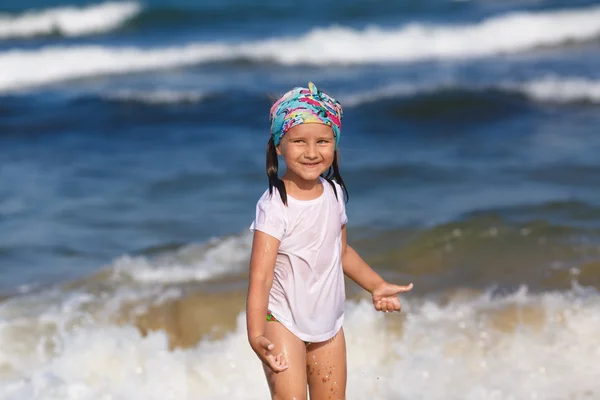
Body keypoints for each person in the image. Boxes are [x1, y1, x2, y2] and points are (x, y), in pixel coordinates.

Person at [246, 82, 414, 400]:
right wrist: (256, 334)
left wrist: (376, 285)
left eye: (322, 141)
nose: (312, 152)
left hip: (328, 324)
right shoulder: (274, 204)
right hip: (280, 320)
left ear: (334, 145)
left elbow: (342, 251)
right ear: (279, 146)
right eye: (299, 142)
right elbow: (261, 276)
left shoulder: (334, 193)